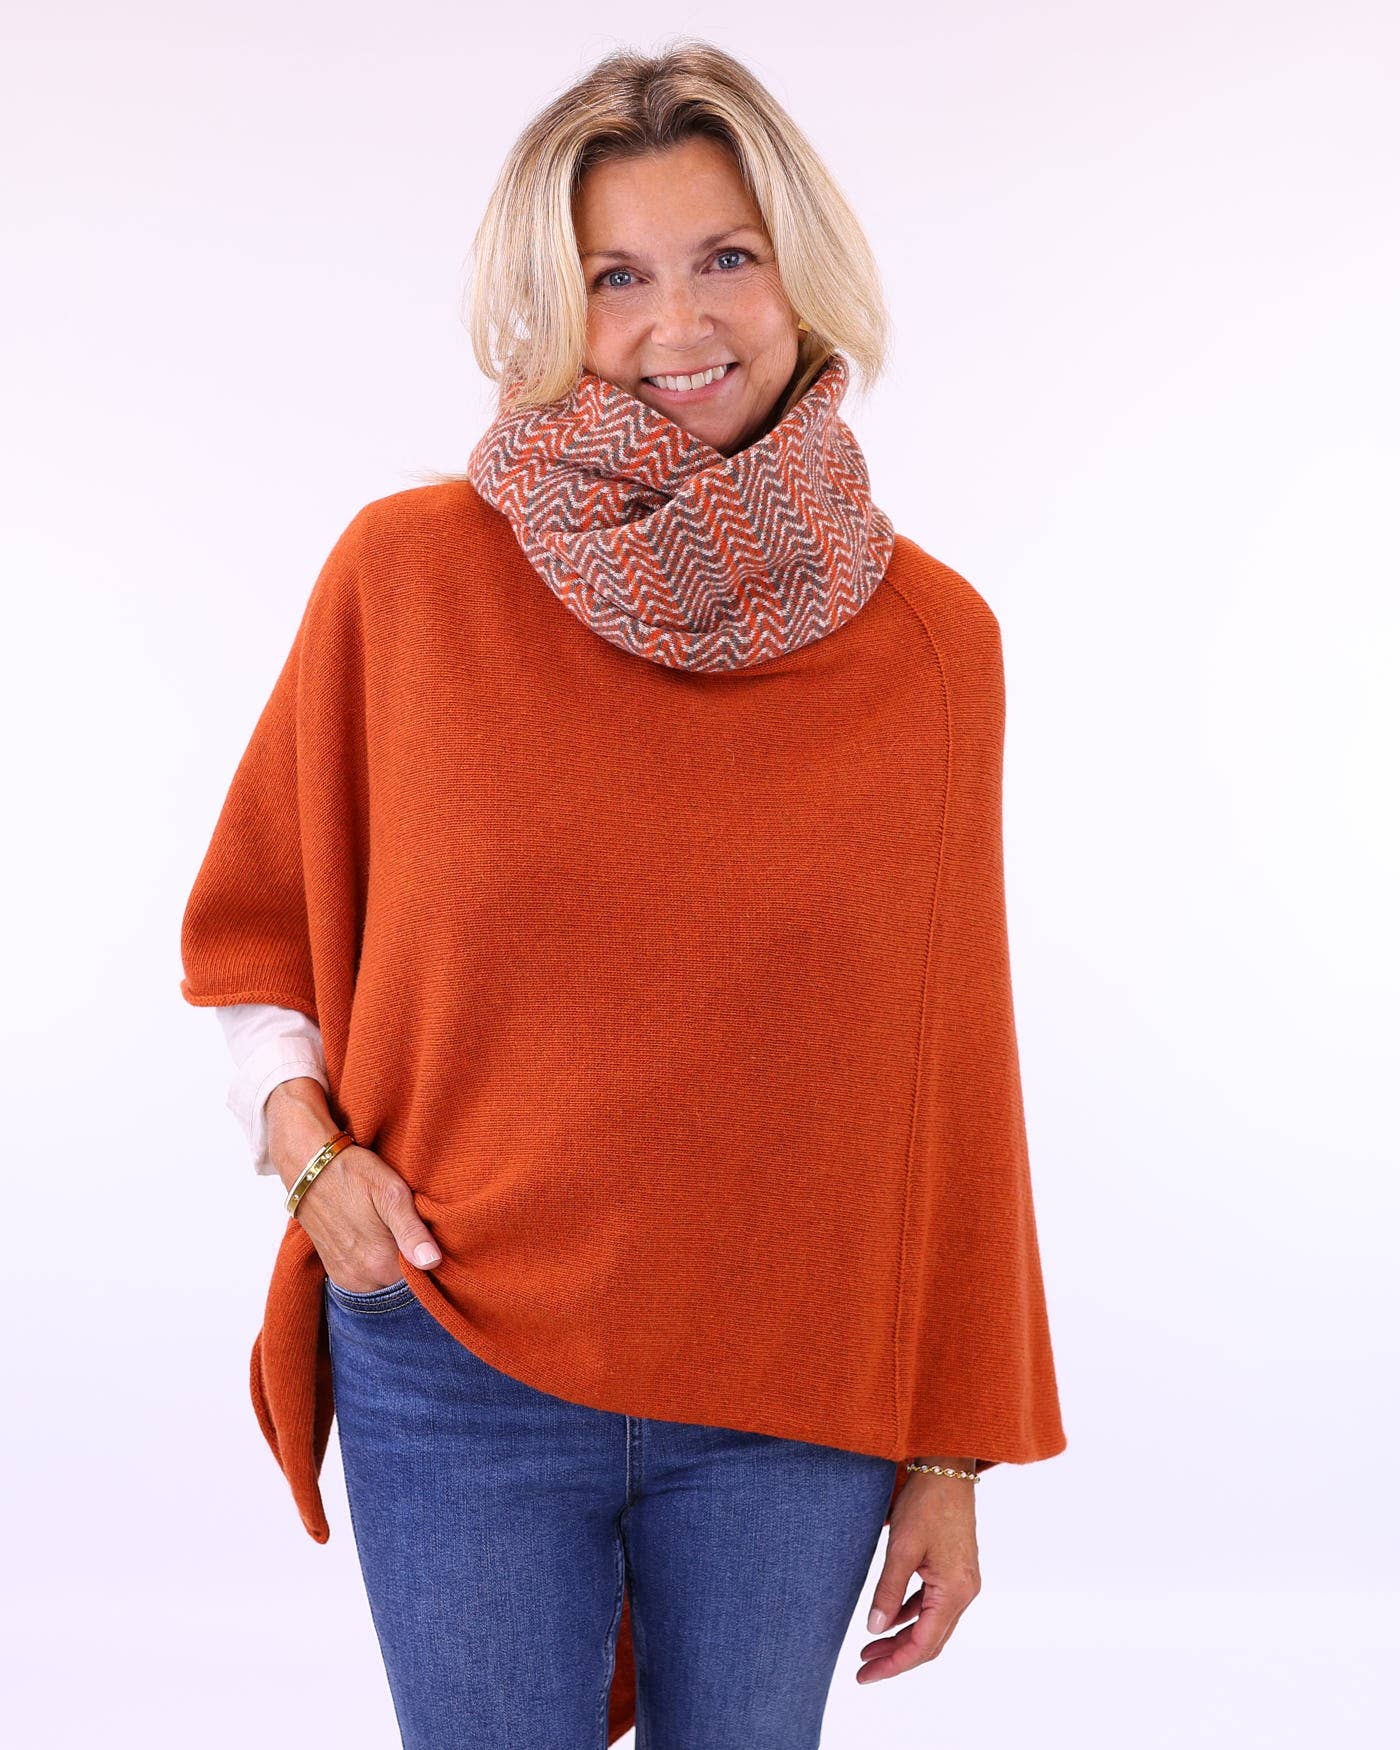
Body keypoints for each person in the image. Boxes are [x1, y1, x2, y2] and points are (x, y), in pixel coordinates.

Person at [179, 38, 1066, 1750]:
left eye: (728, 256)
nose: (682, 323)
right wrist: (310, 1158)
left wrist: (951, 1449)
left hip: (797, 1386)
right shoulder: (409, 579)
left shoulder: (935, 645)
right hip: (460, 1355)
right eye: (616, 277)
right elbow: (257, 929)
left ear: (803, 269)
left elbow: (951, 1072)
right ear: (552, 305)